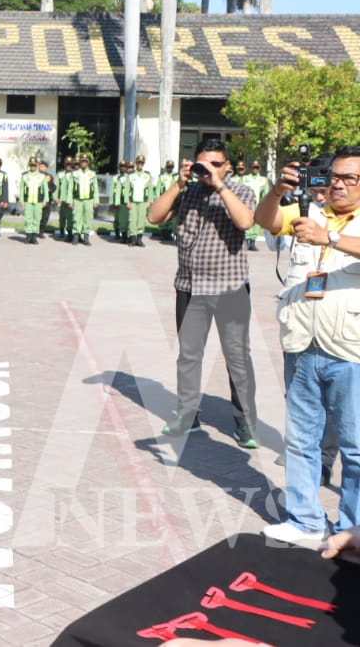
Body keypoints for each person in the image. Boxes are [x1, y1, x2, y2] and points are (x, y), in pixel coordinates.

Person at [253, 148, 360, 546]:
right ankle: (304, 520)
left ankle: (352, 530)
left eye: (350, 178)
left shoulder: (332, 226)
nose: (338, 183)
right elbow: (263, 220)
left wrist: (330, 237)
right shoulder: (308, 212)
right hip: (302, 344)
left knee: (355, 447)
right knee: (300, 440)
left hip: (351, 352)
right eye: (335, 176)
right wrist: (278, 190)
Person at [147, 139, 259, 446]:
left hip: (229, 288)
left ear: (228, 166)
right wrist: (179, 183)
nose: (207, 170)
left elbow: (246, 221)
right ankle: (187, 414)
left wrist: (220, 186)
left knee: (237, 357)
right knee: (188, 355)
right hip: (189, 286)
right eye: (202, 164)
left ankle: (245, 422)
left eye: (216, 164)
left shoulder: (242, 190)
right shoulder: (188, 191)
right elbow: (153, 217)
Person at [243, 160, 272, 251]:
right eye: (253, 167)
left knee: (256, 224)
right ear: (250, 168)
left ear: (259, 168)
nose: (255, 169)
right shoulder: (245, 178)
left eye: (257, 167)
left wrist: (264, 205)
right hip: (246, 204)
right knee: (247, 222)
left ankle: (252, 243)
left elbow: (265, 193)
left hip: (257, 204)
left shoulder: (263, 180)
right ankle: (247, 242)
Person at [126, 155, 154, 248]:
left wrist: (150, 201)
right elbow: (127, 190)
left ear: (143, 164)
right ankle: (133, 240)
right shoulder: (130, 176)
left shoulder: (147, 176)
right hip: (133, 202)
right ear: (136, 163)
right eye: (138, 162)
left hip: (143, 202)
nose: (140, 164)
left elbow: (150, 190)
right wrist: (127, 202)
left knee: (141, 220)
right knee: (132, 221)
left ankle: (139, 240)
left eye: (141, 163)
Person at [20, 156, 49, 244]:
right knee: (28, 218)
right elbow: (21, 189)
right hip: (28, 200)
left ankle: (34, 237)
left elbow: (45, 189)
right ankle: (28, 236)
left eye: (34, 165)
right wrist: (21, 200)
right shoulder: (25, 176)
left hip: (38, 201)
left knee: (37, 218)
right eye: (31, 165)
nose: (33, 166)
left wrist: (45, 200)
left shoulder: (42, 176)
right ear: (29, 165)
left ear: (37, 165)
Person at [71, 154, 98, 246]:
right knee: (76, 218)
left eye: (85, 161)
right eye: (82, 161)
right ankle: (76, 236)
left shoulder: (92, 174)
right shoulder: (74, 173)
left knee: (88, 218)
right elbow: (71, 188)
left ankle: (86, 238)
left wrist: (96, 200)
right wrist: (70, 200)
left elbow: (96, 188)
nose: (83, 163)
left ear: (88, 162)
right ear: (80, 162)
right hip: (77, 199)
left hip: (89, 200)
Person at [153, 160, 179, 241]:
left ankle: (169, 232)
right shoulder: (162, 177)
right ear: (166, 167)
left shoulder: (176, 176)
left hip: (173, 199)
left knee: (171, 216)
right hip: (164, 199)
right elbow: (157, 189)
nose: (170, 168)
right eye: (168, 167)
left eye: (171, 167)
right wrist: (157, 199)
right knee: (163, 215)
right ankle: (163, 232)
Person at [56, 155, 76, 241]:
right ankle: (61, 232)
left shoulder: (75, 174)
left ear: (72, 164)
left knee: (70, 218)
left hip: (71, 201)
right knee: (62, 218)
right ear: (64, 164)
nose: (68, 165)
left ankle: (70, 234)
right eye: (67, 163)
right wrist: (56, 198)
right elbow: (57, 187)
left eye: (70, 164)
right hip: (62, 200)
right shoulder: (60, 174)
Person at [111, 160, 130, 243]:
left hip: (126, 200)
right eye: (121, 166)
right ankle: (117, 233)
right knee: (117, 218)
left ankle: (125, 235)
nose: (123, 168)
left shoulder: (129, 177)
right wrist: (113, 202)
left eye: (124, 166)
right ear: (119, 168)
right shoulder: (115, 177)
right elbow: (112, 190)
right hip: (117, 200)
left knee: (125, 219)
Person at [38, 158, 57, 237]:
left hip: (47, 200)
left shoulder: (49, 176)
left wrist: (51, 189)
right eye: (41, 166)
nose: (42, 168)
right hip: (38, 199)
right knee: (36, 216)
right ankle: (34, 231)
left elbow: (53, 186)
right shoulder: (36, 175)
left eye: (44, 167)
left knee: (45, 216)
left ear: (46, 168)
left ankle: (41, 231)